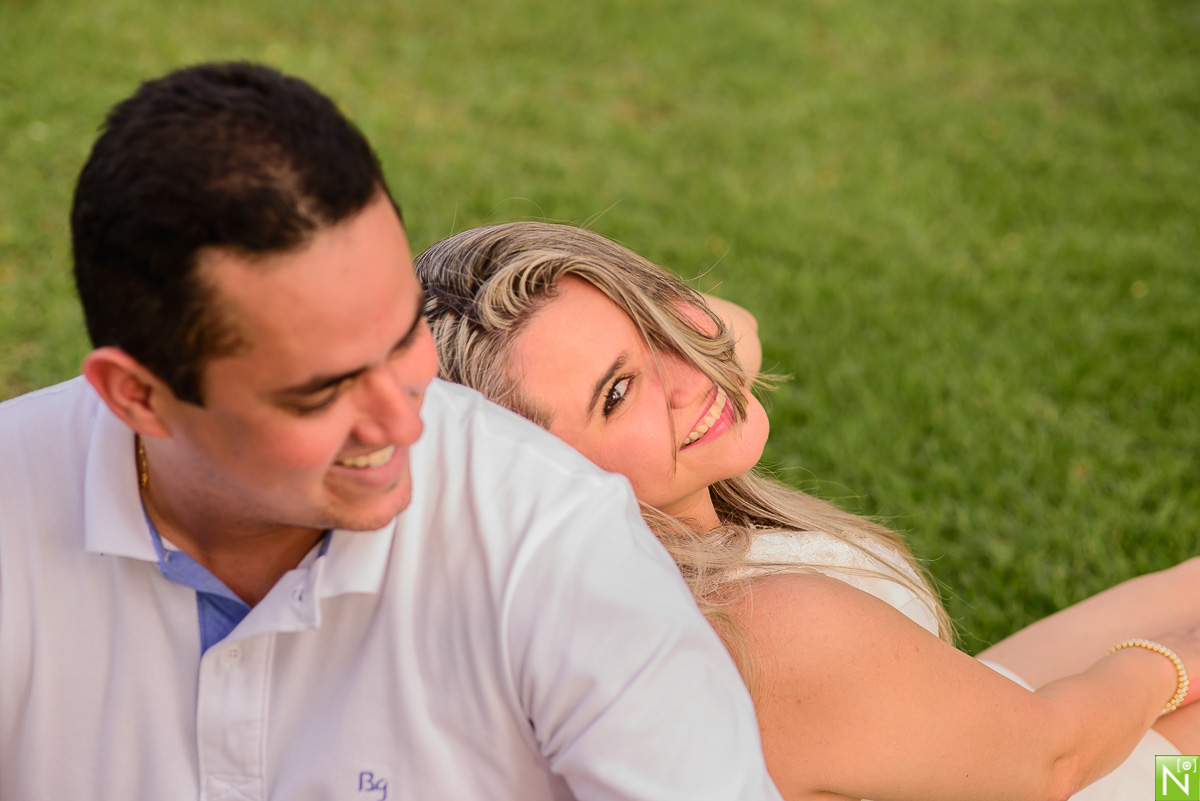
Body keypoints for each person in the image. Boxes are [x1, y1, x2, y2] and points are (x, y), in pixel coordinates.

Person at [0, 64, 786, 801]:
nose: (407, 420)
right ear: (138, 396)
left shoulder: (557, 539)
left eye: (404, 334)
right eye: (322, 391)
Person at [415, 219, 1200, 801]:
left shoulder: (631, 571)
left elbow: (733, 334)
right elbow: (1054, 761)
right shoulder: (761, 633)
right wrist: (1166, 662)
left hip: (954, 727)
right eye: (619, 392)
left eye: (654, 319)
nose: (692, 374)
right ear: (537, 485)